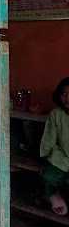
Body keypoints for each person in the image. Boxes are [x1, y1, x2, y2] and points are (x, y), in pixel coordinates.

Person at [40, 77, 69, 215]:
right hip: (61, 158)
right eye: (64, 94)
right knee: (48, 175)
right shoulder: (56, 114)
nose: (68, 98)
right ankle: (55, 197)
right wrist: (48, 155)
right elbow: (49, 139)